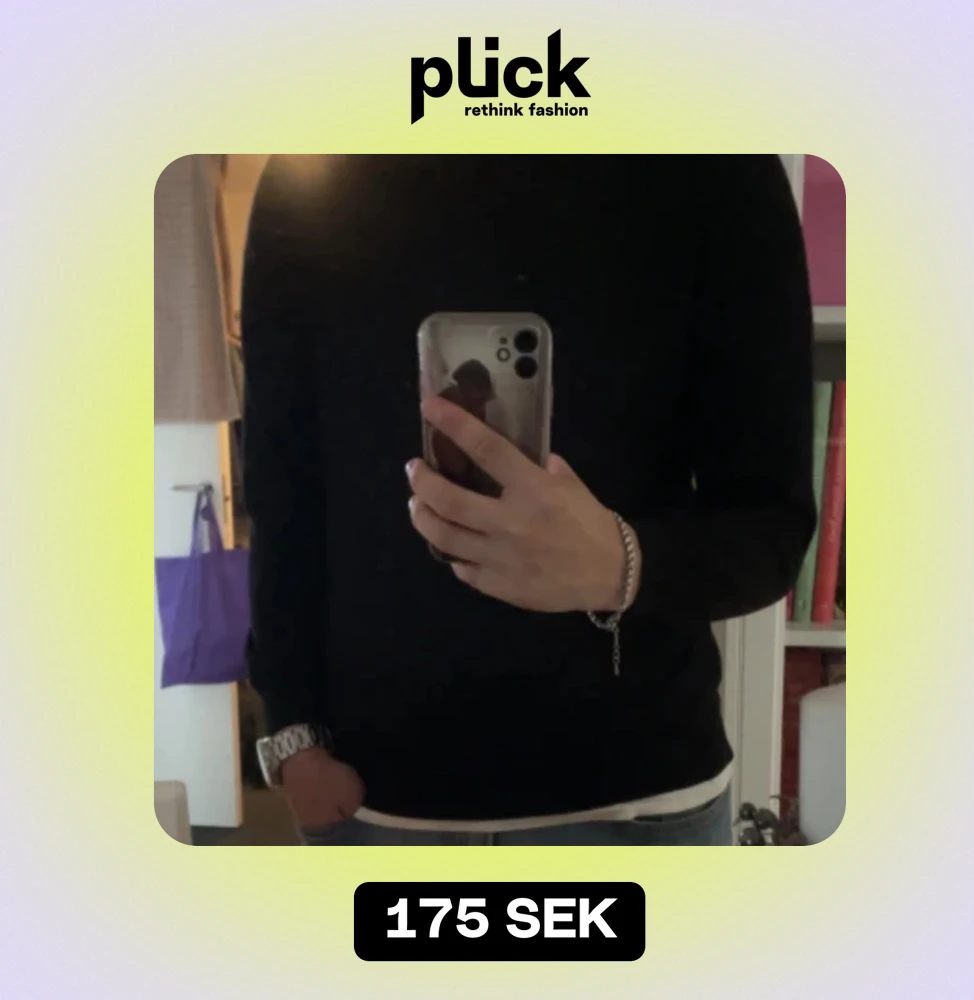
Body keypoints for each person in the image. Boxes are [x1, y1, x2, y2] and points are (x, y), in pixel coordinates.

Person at [241, 154, 815, 846]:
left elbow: (771, 523)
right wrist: (291, 727)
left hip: (635, 794)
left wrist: (622, 566)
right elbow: (282, 489)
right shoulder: (314, 165)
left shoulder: (714, 162)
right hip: (372, 795)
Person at [433, 359, 503, 497]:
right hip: (457, 475)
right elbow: (456, 465)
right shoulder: (452, 402)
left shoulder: (475, 407)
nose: (482, 401)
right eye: (480, 391)